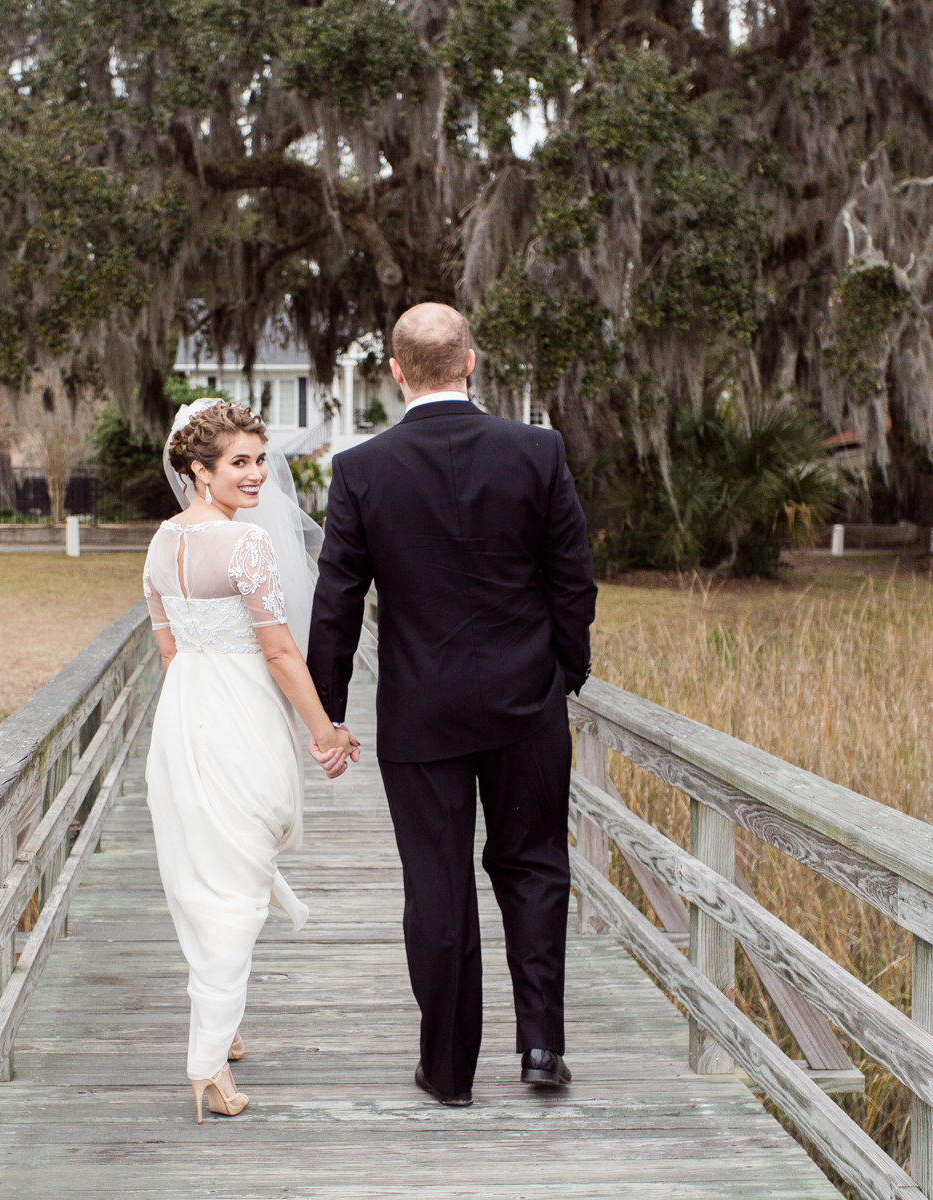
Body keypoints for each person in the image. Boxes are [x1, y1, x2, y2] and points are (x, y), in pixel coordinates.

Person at [307, 302, 598, 1106]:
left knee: (436, 883)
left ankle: (448, 1071)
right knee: (534, 865)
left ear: (396, 372)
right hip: (524, 703)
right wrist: (563, 676)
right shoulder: (536, 452)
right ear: (470, 361)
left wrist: (327, 713)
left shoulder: (362, 471)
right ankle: (541, 1047)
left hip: (421, 713)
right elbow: (572, 582)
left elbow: (336, 603)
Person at [142, 399, 361, 1124]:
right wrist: (325, 730)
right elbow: (277, 651)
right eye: (239, 462)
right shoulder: (246, 547)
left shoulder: (159, 544)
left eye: (261, 460)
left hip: (182, 715)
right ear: (200, 471)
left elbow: (169, 648)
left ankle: (224, 1025)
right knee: (235, 888)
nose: (257, 475)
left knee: (201, 871)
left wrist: (191, 710)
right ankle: (205, 1064)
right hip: (237, 715)